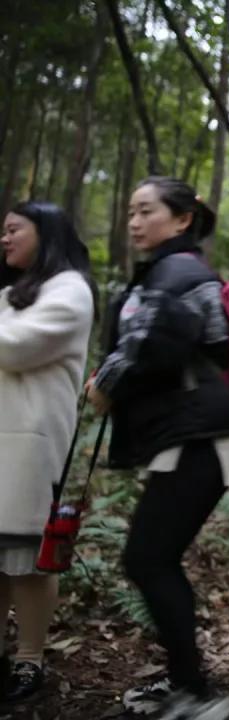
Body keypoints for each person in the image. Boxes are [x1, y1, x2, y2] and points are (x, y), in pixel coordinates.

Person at [88, 176, 229, 719]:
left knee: (147, 557)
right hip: (193, 433)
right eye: (130, 213)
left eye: (146, 211)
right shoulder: (172, 269)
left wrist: (105, 382)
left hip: (203, 435)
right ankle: (187, 681)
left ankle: (197, 694)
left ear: (182, 218)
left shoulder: (180, 272)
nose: (135, 222)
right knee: (152, 557)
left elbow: (154, 343)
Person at [0, 202, 94, 702]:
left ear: (47, 233)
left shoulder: (70, 290)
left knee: (27, 559)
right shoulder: (12, 291)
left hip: (30, 446)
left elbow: (16, 346)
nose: (4, 238)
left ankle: (30, 661)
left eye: (14, 229)